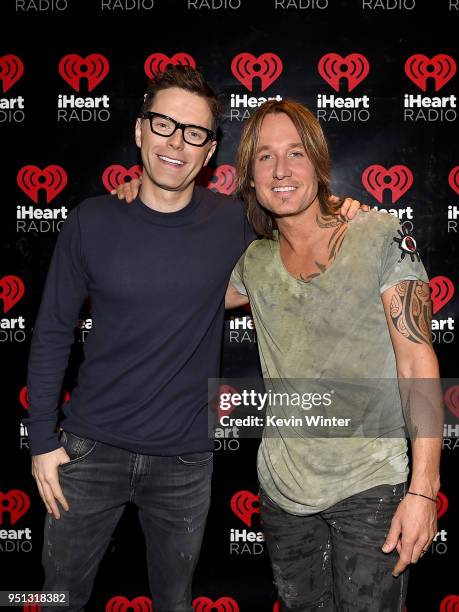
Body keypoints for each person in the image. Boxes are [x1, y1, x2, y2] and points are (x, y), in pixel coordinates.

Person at [25, 66, 364, 612]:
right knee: (57, 598)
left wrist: (341, 213)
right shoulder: (91, 221)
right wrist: (43, 442)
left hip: (184, 463)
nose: (176, 143)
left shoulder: (234, 224)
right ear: (139, 131)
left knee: (176, 603)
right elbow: (51, 334)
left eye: (195, 133)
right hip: (89, 453)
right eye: (163, 124)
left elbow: (303, 236)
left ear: (209, 154)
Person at [225, 99, 442, 611]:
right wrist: (139, 199)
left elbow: (417, 362)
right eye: (264, 157)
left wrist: (425, 491)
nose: (281, 170)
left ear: (318, 163)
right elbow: (173, 290)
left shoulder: (378, 234)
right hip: (282, 495)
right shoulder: (252, 262)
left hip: (371, 488)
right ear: (249, 177)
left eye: (295, 152)